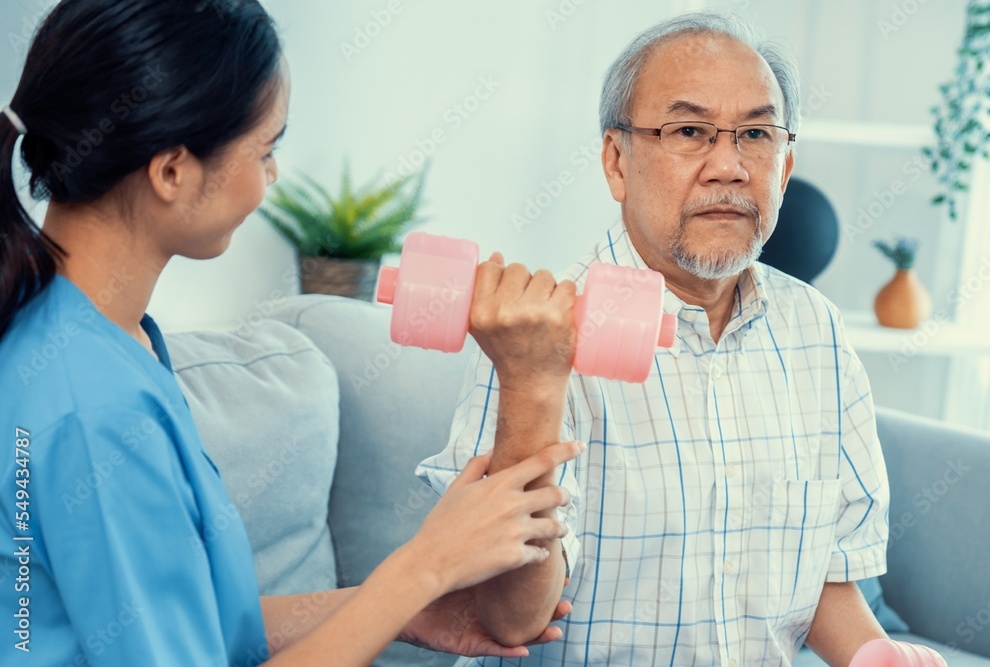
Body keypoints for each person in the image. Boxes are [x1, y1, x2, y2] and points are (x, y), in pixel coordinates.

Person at [0, 1, 583, 665]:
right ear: (171, 171)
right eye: (265, 149)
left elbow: (189, 620)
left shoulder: (95, 334)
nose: (270, 178)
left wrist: (396, 607)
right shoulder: (92, 407)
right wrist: (421, 566)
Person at [418, 12, 946, 667]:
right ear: (617, 161)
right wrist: (533, 381)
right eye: (690, 130)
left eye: (756, 133)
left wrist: (879, 656)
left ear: (785, 166)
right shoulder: (536, 339)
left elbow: (827, 579)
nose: (728, 165)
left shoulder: (818, 331)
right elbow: (509, 620)